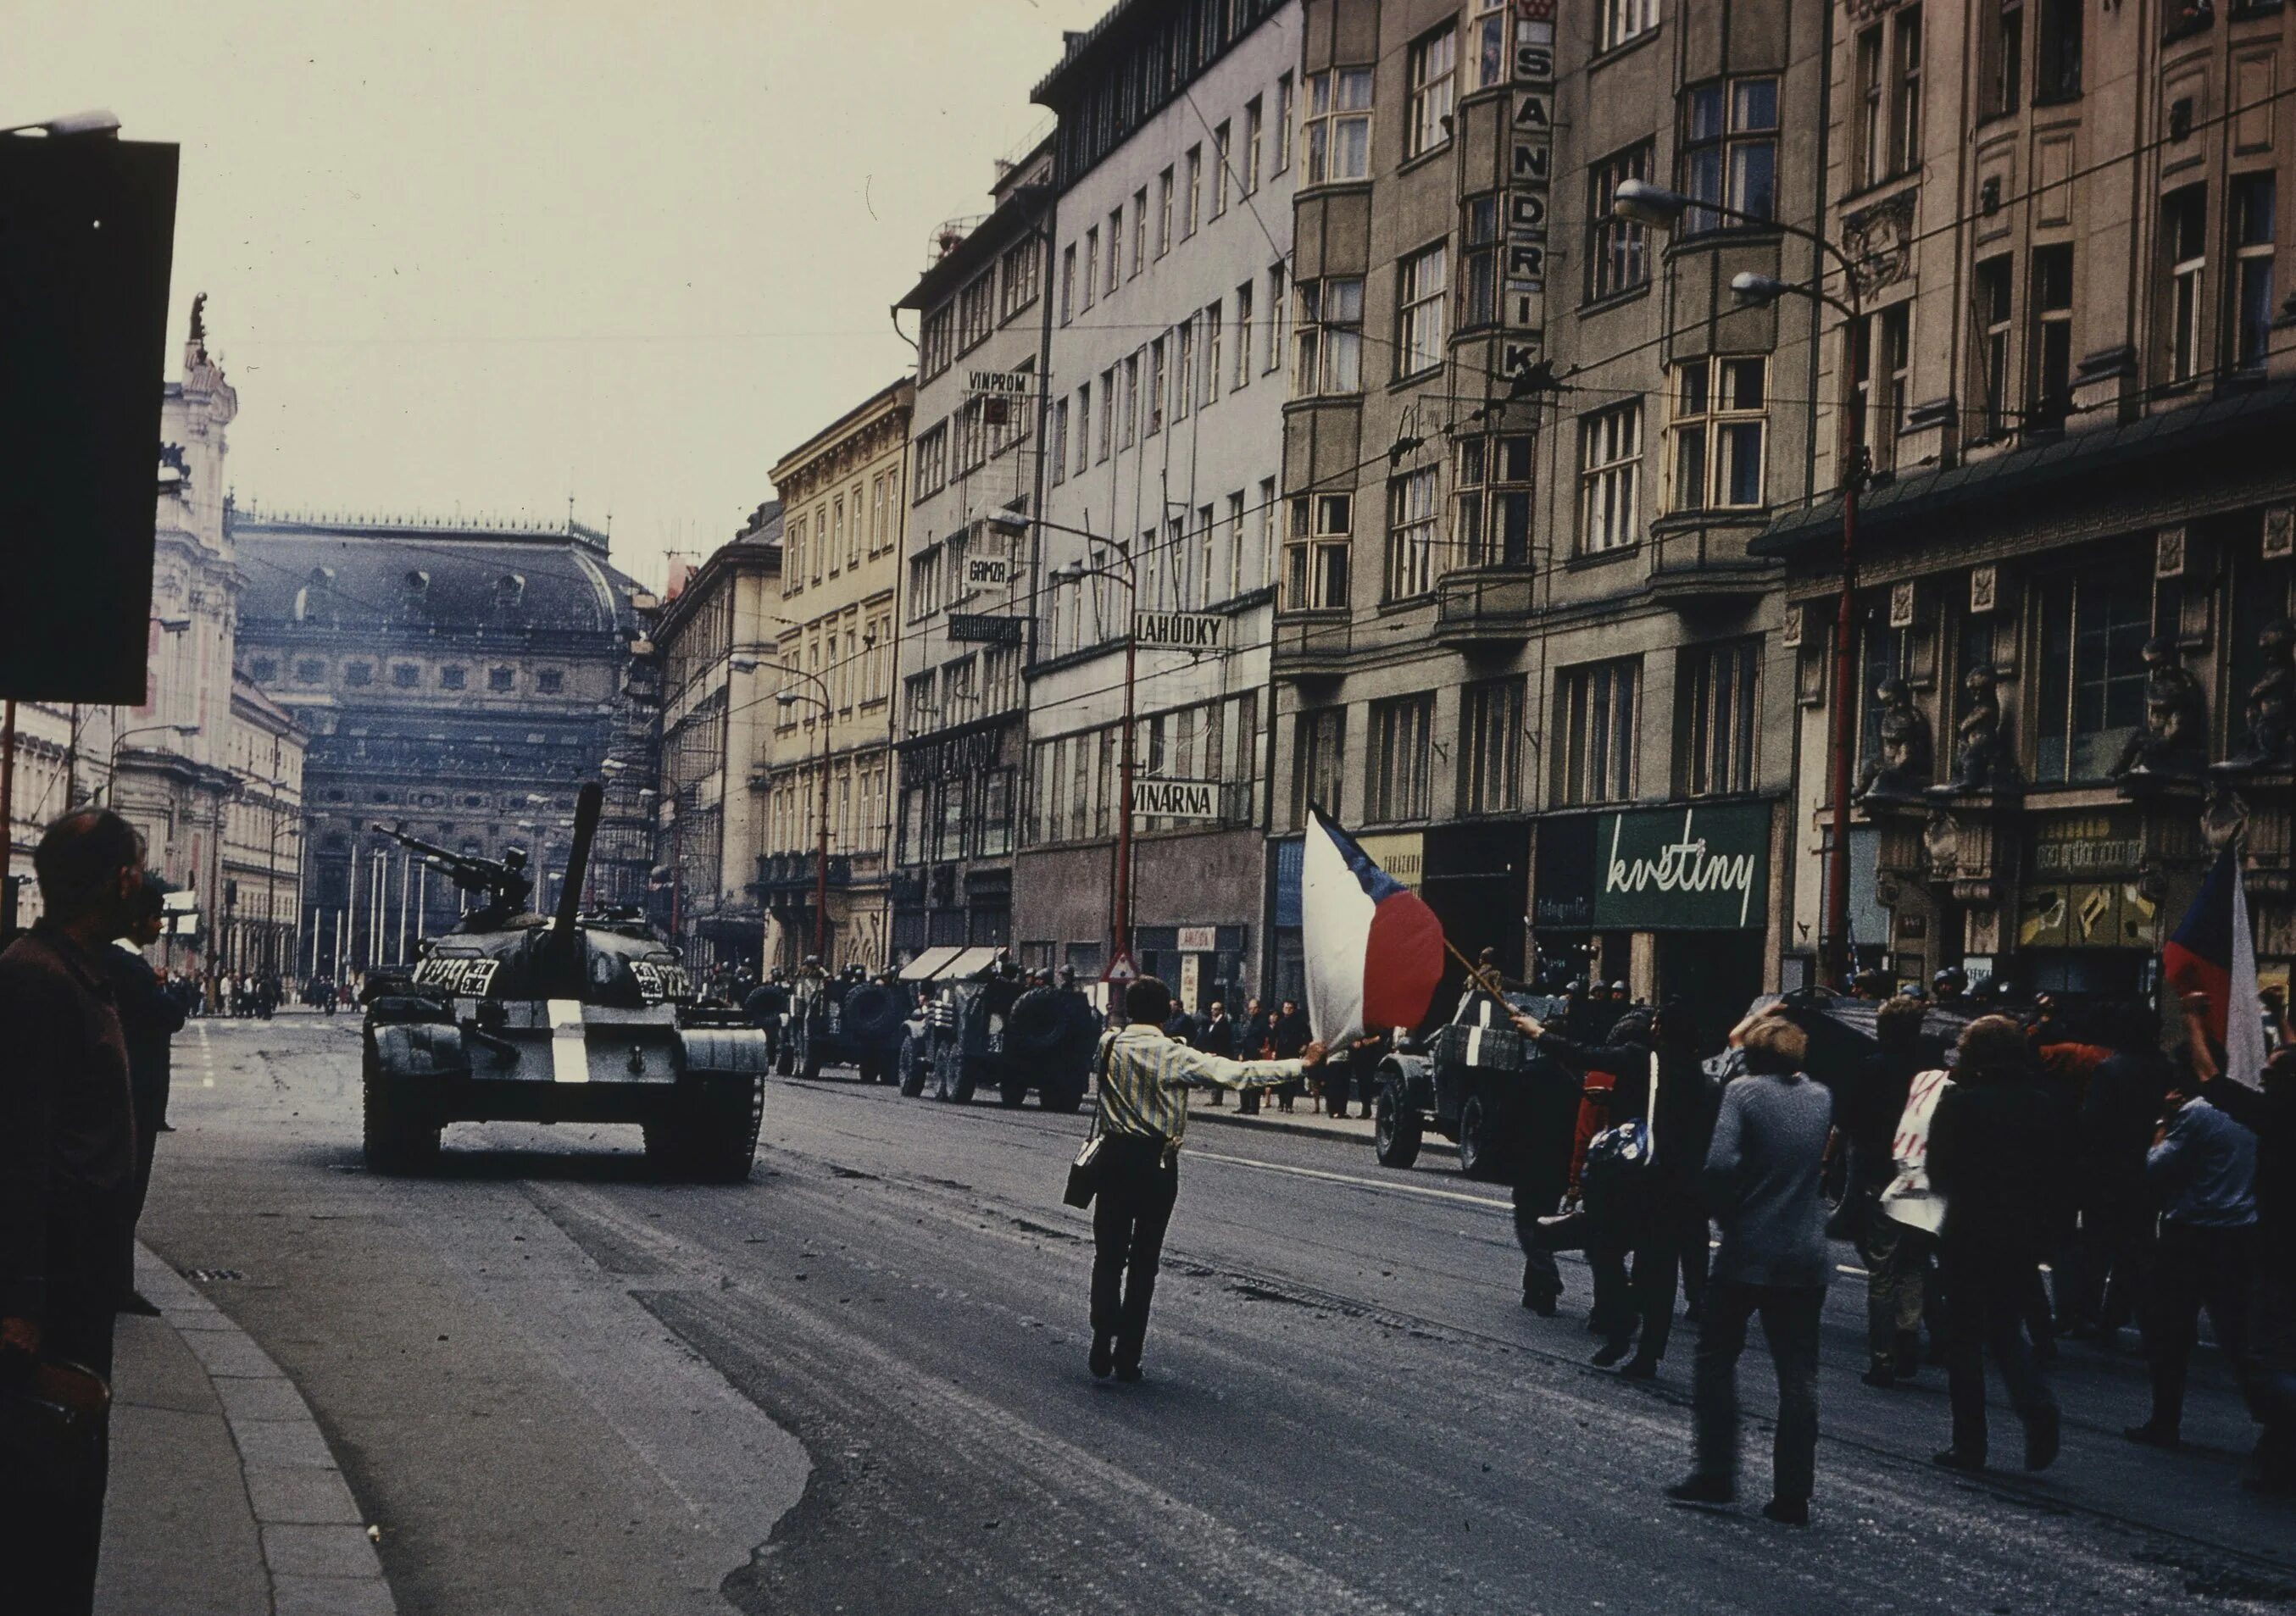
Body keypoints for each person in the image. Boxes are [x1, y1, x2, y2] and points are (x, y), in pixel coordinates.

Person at [0, 808, 148, 1613]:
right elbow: (15, 1149)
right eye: (139, 867)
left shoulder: (79, 971)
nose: (147, 883)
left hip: (77, 1284)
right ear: (118, 880)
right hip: (46, 1293)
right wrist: (18, 1300)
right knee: (41, 1496)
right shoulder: (34, 979)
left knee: (69, 1479)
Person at [1083, 976, 1325, 1380]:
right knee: (1145, 1261)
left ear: (1127, 1009)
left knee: (1108, 1255)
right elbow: (1235, 1073)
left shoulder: (1108, 1044)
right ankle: (1128, 1354)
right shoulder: (1173, 1054)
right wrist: (1300, 1065)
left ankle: (1101, 1334)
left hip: (1112, 1159)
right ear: (1165, 1014)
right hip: (1157, 1164)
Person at [1667, 1010, 1833, 1527]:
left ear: (1755, 1057)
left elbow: (1719, 1163)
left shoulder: (1743, 1094)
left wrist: (1726, 1211)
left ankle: (1716, 1472)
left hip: (1749, 1248)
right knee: (1799, 1373)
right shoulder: (1822, 1096)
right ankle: (1793, 1494)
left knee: (1717, 1357)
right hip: (1807, 1251)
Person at [1519, 999, 1717, 1378]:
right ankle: (1648, 1356)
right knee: (1659, 1270)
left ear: (1659, 1028)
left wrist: (1539, 1033)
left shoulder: (1641, 1058)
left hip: (1635, 1182)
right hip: (1677, 1186)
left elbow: (1583, 1054)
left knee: (1605, 1248)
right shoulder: (1697, 1074)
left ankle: (1621, 1319)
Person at [1926, 1015, 2068, 1473]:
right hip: (2022, 1233)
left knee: (1964, 1338)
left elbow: (1938, 1172)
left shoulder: (1960, 1105)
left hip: (1968, 1231)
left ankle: (1970, 1444)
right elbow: (2059, 1173)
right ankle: (2037, 1404)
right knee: (2007, 1330)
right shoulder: (2044, 1105)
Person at [2126, 998, 2265, 1455]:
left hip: (2192, 1233)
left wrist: (2162, 1122)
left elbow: (2156, 1167)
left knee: (2169, 1332)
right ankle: (2272, 1421)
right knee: (2240, 1336)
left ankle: (2166, 1420)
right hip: (2240, 1232)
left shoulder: (2196, 1114)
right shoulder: (2256, 1111)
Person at [2188, 997, 2296, 1492]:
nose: (2265, 1076)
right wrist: (2279, 1019)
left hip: (2279, 1248)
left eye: (2271, 1073)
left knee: (2266, 1356)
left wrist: (2193, 1017)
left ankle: (2284, 1440)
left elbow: (2210, 1077)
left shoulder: (2274, 1115)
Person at [103, 874, 186, 1318]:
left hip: (125, 1095)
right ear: (137, 920)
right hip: (135, 1096)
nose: (160, 926)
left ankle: (115, 1282)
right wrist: (167, 990)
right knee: (126, 1196)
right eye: (156, 918)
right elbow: (171, 1015)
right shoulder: (130, 967)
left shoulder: (113, 961)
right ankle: (117, 1286)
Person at [1843, 996, 1930, 1386]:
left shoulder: (1869, 1069)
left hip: (1881, 1174)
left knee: (1883, 1269)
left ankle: (1883, 1356)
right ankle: (1909, 1334)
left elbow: (1850, 1123)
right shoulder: (1931, 1074)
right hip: (1922, 1175)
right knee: (1914, 1261)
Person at [1191, 999, 1235, 1106]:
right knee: (1215, 1076)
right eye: (1212, 1009)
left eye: (1215, 1009)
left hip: (1219, 1053)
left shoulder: (1222, 1023)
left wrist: (1217, 1052)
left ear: (1220, 1011)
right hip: (1213, 1052)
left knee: (1218, 1076)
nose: (1212, 1011)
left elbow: (1223, 1040)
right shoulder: (1214, 1022)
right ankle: (1215, 1098)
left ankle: (1217, 1099)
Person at [1270, 998, 1311, 1112]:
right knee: (1281, 1078)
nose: (1287, 1010)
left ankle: (1289, 1104)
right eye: (1285, 1008)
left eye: (1290, 1008)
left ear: (1293, 1009)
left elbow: (1308, 1035)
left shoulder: (1299, 1022)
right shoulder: (1280, 1022)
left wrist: (1304, 1045)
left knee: (1291, 1079)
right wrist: (1274, 1050)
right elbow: (1274, 1038)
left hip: (1293, 1052)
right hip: (1281, 1053)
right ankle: (1281, 1102)